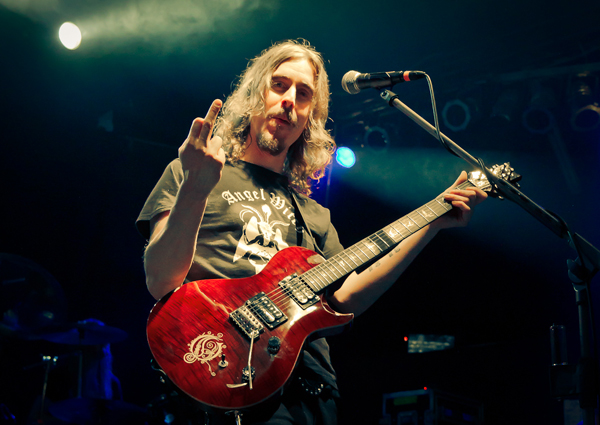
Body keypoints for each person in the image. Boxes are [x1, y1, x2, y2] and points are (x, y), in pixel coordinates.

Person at [136, 39, 487, 425]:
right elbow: (160, 279)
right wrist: (196, 187)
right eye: (279, 85)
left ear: (310, 117)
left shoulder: (314, 216)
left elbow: (346, 299)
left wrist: (431, 222)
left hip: (311, 390)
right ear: (253, 95)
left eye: (303, 94)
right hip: (222, 371)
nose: (289, 100)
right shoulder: (193, 172)